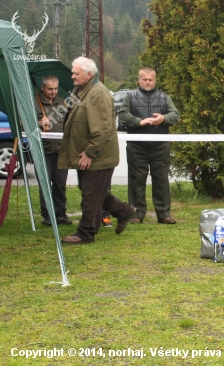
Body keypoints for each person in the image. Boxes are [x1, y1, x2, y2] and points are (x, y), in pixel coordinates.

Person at [58, 56, 135, 244]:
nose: (72, 75)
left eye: (76, 73)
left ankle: (86, 232)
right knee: (93, 190)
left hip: (97, 155)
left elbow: (102, 128)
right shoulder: (82, 90)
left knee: (91, 195)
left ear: (89, 74)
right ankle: (124, 211)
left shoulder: (97, 93)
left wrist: (89, 153)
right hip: (91, 153)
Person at [118, 67, 180, 225]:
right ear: (138, 80)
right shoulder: (129, 96)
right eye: (144, 79)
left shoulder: (165, 97)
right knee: (136, 181)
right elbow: (123, 116)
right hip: (136, 146)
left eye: (150, 79)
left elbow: (176, 115)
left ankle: (164, 214)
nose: (147, 82)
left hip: (160, 146)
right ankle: (136, 214)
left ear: (155, 80)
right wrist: (140, 122)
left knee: (161, 181)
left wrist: (163, 118)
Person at [35, 75, 72, 226]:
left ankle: (61, 213)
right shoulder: (34, 103)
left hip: (61, 150)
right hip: (43, 150)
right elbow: (22, 125)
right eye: (50, 89)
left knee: (60, 183)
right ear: (43, 88)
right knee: (45, 183)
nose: (53, 92)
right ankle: (48, 215)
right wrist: (38, 122)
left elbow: (70, 124)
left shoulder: (64, 102)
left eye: (55, 88)